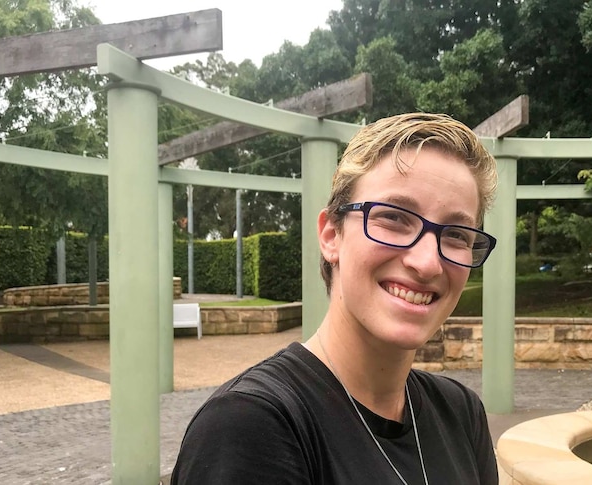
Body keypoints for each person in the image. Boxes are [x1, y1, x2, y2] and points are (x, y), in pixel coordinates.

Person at [171, 112, 500, 484]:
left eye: (457, 234)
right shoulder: (252, 426)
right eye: (393, 218)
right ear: (331, 235)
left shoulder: (461, 413)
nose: (427, 263)